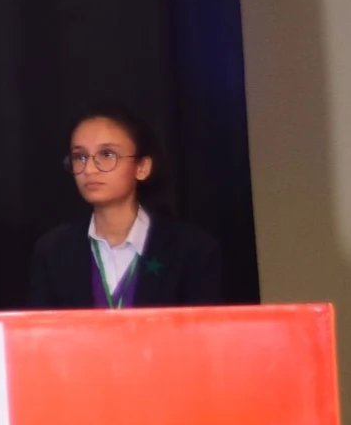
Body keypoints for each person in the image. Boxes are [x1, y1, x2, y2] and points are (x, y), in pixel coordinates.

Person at [27, 104, 225, 309]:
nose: (89, 169)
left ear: (142, 167)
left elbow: (204, 328)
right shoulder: (53, 251)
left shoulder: (193, 250)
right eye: (80, 157)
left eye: (107, 154)